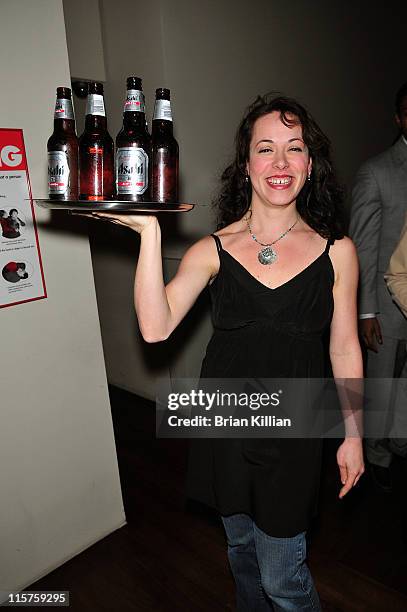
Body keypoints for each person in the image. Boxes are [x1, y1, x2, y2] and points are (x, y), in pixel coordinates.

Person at [82, 94, 364, 611]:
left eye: (294, 148)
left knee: (284, 576)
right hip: (225, 424)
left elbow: (345, 346)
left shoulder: (336, 251)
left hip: (296, 435)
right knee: (240, 553)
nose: (280, 163)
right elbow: (155, 327)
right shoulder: (212, 249)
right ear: (246, 164)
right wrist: (149, 234)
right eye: (266, 149)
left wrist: (353, 434)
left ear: (310, 164)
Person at [349, 81, 407, 492]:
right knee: (382, 384)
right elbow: (363, 248)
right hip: (386, 305)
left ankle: (399, 442)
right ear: (399, 118)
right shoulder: (377, 171)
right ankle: (374, 458)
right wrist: (365, 312)